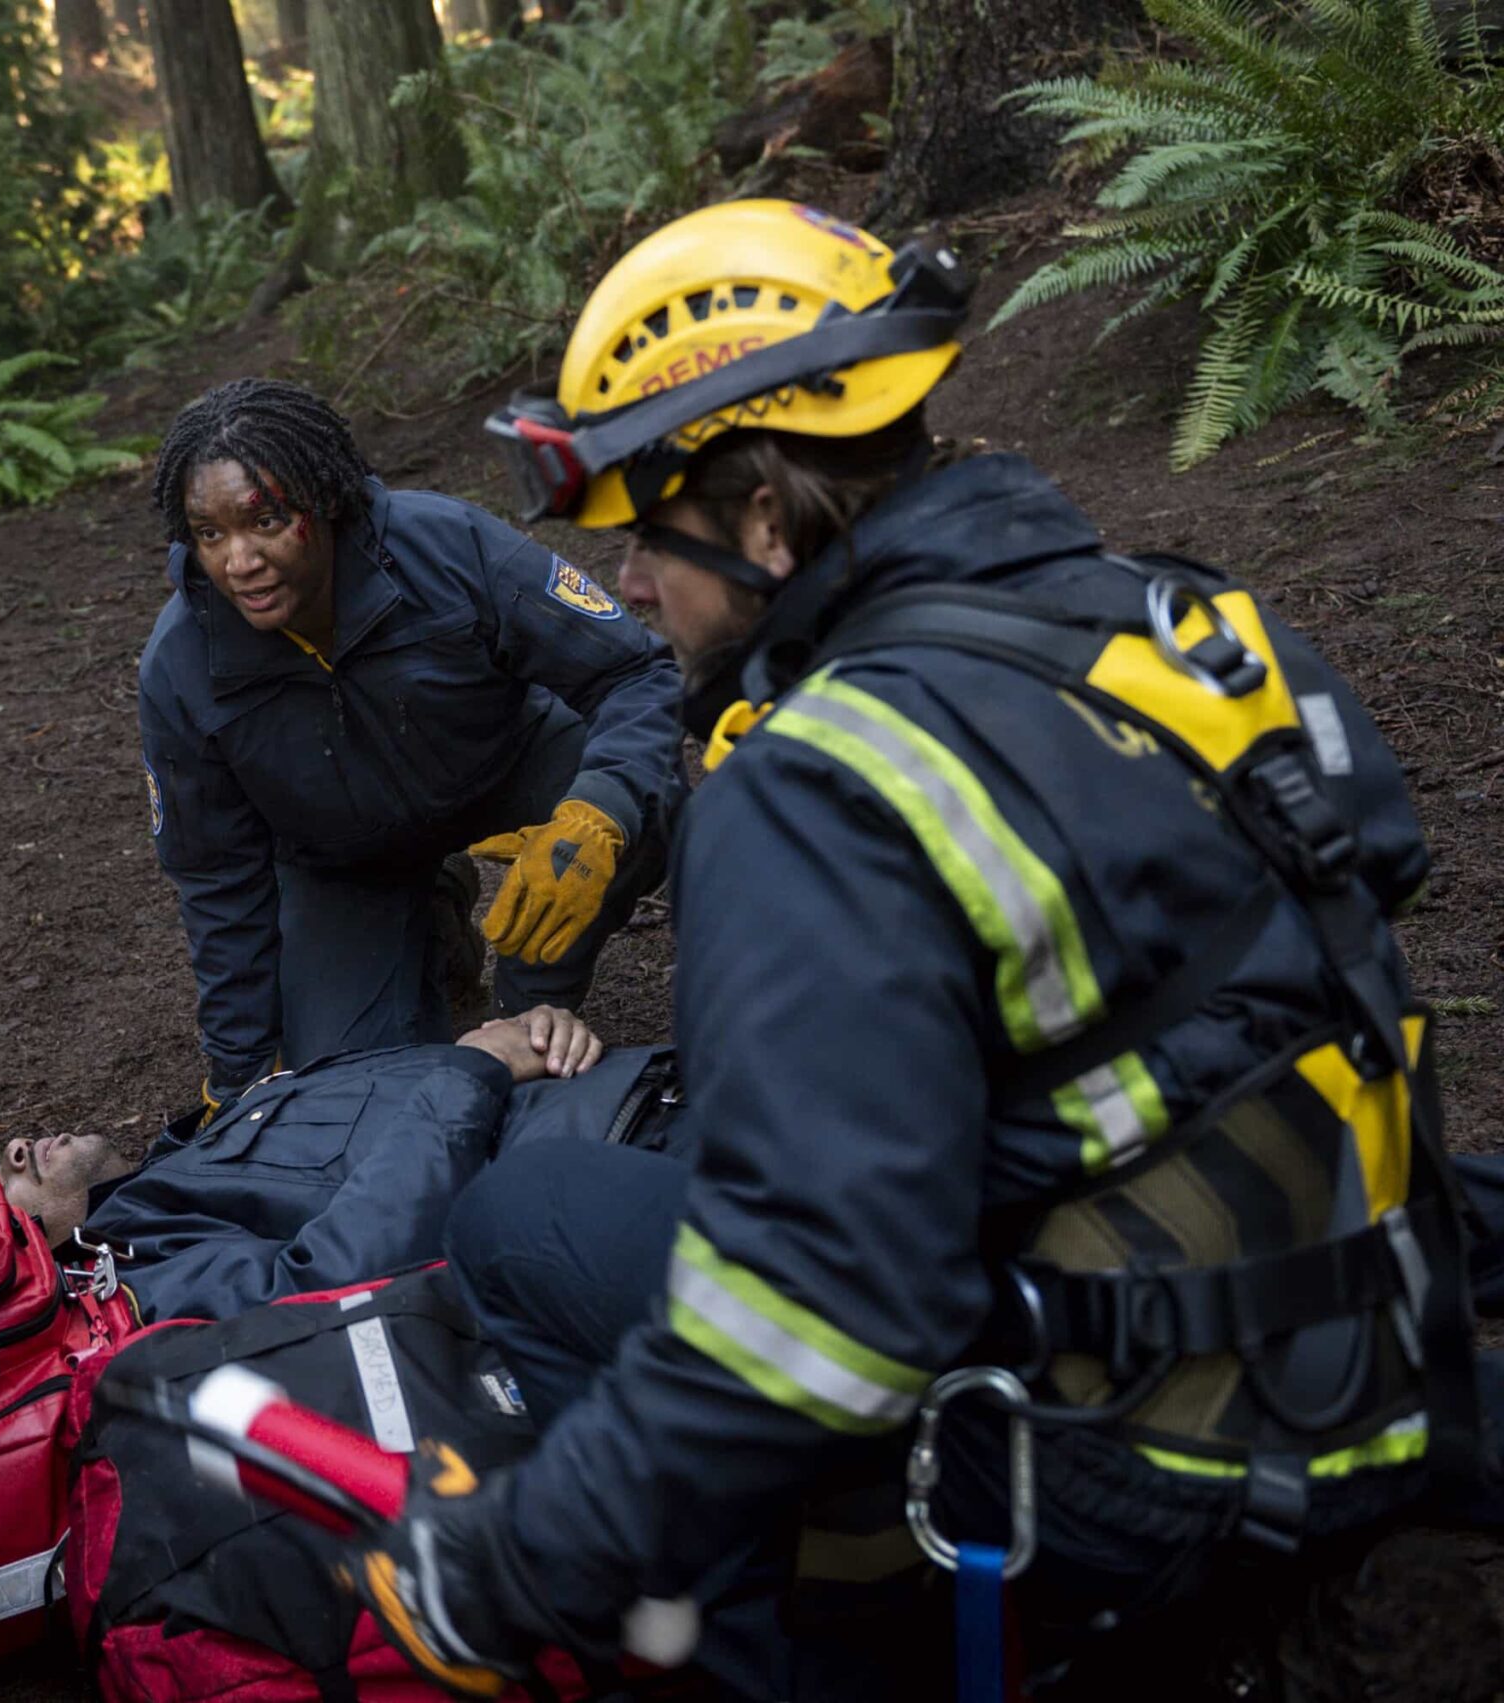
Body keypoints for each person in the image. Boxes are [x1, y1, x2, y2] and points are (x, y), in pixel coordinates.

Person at [342, 199, 1491, 1700]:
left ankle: (788, 1640)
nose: (625, 581)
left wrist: (516, 1562)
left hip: (1145, 1460)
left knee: (530, 1208)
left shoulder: (822, 780)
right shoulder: (1186, 625)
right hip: (1375, 1341)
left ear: (767, 518)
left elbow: (821, 1311)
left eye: (644, 526)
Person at [139, 378, 688, 1115]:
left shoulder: (444, 546)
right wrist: (238, 1081)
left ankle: (533, 1006)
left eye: (266, 520)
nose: (239, 559)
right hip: (344, 862)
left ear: (323, 500)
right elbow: (218, 884)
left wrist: (600, 809)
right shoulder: (179, 666)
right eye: (211, 534)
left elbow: (634, 671)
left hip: (510, 775)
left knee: (636, 805)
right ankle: (432, 917)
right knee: (354, 1092)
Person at [0, 1008, 674, 1324]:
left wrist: (529, 1031)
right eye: (2, 1197)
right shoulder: (141, 1268)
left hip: (640, 1086)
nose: (14, 1150)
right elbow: (326, 1281)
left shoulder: (185, 1156)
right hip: (630, 1170)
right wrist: (477, 1067)